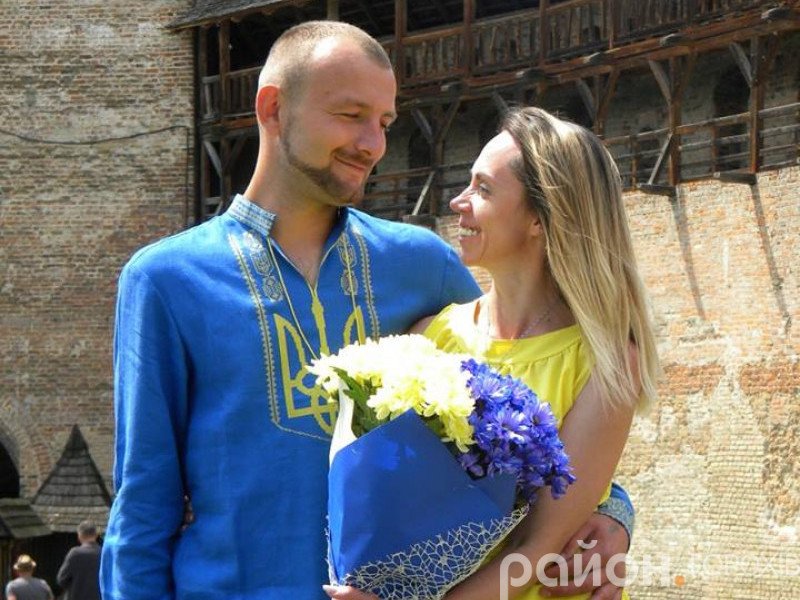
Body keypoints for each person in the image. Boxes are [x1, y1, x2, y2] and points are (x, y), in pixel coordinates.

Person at [100, 21, 633, 600]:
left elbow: (527, 421)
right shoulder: (166, 280)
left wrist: (613, 514)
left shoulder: (421, 265)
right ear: (273, 108)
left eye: (384, 123)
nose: (373, 144)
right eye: (351, 115)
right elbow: (143, 506)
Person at [419, 107, 658, 599]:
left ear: (539, 218)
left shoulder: (607, 364)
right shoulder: (432, 336)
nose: (458, 201)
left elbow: (537, 549)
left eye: (484, 189)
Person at [57, 520, 101, 600]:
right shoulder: (103, 553)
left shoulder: (75, 553)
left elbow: (61, 579)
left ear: (79, 535)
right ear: (96, 534)